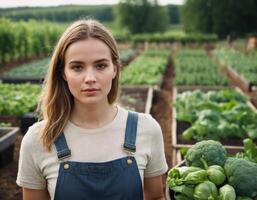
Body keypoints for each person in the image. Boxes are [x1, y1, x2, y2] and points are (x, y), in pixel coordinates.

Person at [16, 19, 168, 200]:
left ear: (115, 69)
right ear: (63, 73)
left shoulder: (146, 129)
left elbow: (155, 197)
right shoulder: (39, 140)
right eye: (77, 67)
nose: (90, 78)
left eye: (101, 65)